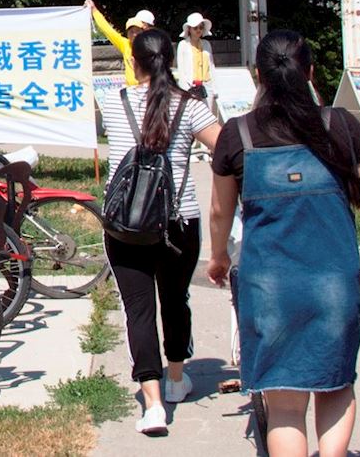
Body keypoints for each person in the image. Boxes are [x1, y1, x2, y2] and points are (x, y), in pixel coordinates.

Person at [207, 30, 360, 457]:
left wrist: (218, 257)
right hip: (334, 281)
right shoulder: (339, 124)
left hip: (269, 285)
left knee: (285, 406)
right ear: (310, 72)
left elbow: (219, 212)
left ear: (258, 75)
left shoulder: (238, 134)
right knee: (335, 384)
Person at [102, 28, 220, 436]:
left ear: (134, 63)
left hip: (126, 224)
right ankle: (176, 378)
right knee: (175, 299)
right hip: (178, 222)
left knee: (138, 309)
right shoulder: (191, 107)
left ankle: (152, 404)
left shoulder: (114, 102)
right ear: (170, 61)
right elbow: (227, 149)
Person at [87, 0, 154, 87]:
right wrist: (94, 10)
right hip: (131, 89)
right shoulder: (125, 44)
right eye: (131, 31)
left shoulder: (152, 46)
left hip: (148, 88)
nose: (134, 34)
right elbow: (108, 30)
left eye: (137, 31)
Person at [175, 12, 216, 109]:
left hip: (206, 85)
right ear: (189, 29)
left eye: (201, 27)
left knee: (207, 113)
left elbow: (211, 66)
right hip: (190, 85)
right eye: (195, 28)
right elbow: (181, 68)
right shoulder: (183, 45)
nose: (198, 30)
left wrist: (214, 87)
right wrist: (185, 88)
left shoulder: (206, 44)